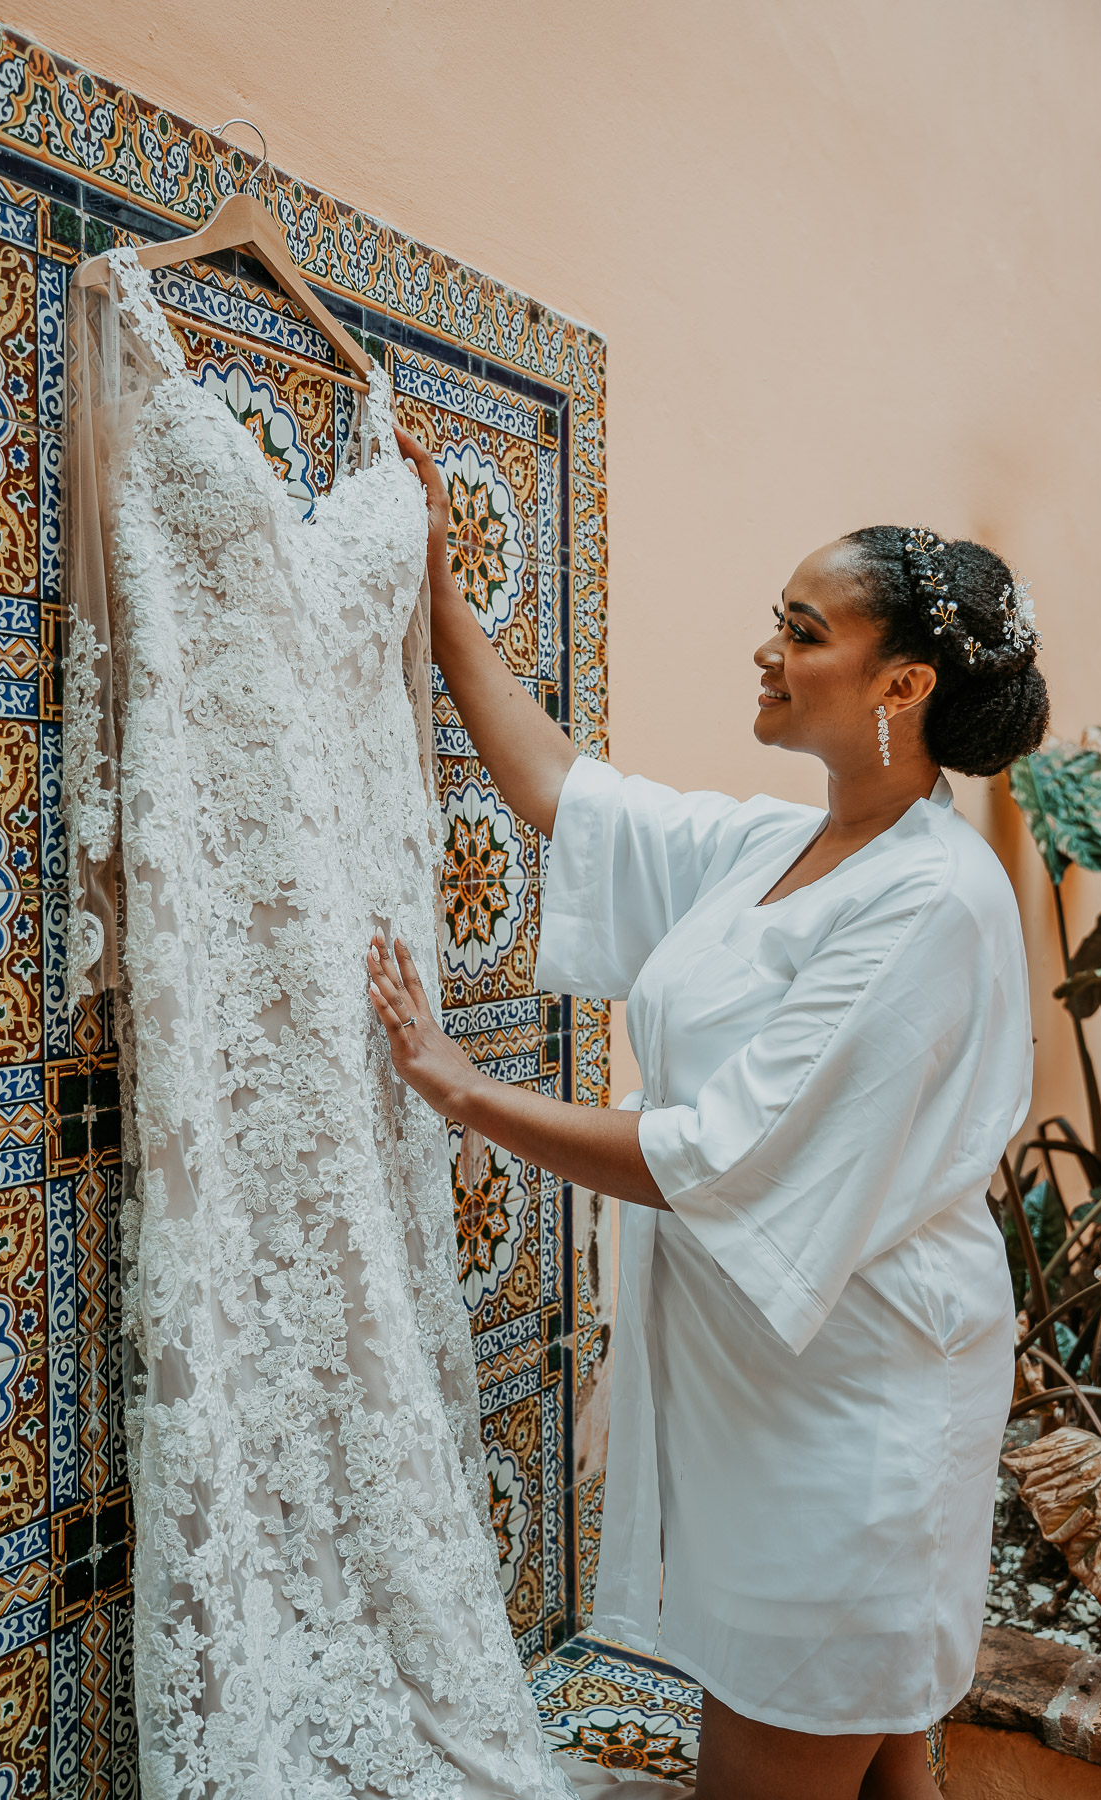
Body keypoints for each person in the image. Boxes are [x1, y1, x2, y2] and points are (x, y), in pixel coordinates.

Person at [369, 430, 1047, 1800]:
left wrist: (463, 1087)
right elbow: (570, 796)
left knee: (800, 1745)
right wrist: (441, 595)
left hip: (855, 1420)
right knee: (883, 1762)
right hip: (783, 1391)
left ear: (900, 684)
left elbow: (716, 1156)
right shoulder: (778, 847)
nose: (767, 650)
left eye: (802, 631)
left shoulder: (929, 899)